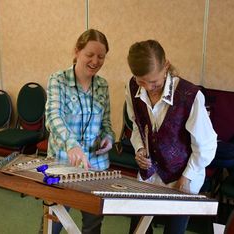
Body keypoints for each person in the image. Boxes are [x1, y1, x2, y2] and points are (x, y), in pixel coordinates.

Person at [125, 40, 217, 234]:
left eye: (154, 82)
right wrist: (140, 149)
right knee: (138, 230)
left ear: (166, 65)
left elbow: (206, 145)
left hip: (183, 175)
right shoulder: (132, 88)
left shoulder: (190, 95)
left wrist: (187, 176)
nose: (149, 87)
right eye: (142, 81)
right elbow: (137, 126)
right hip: (150, 175)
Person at [45, 29, 115, 234]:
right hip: (62, 164)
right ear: (77, 51)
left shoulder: (102, 85)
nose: (95, 61)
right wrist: (71, 144)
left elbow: (107, 123)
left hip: (95, 167)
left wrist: (108, 138)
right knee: (52, 223)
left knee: (93, 226)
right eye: (90, 55)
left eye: (101, 57)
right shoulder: (58, 80)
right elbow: (53, 117)